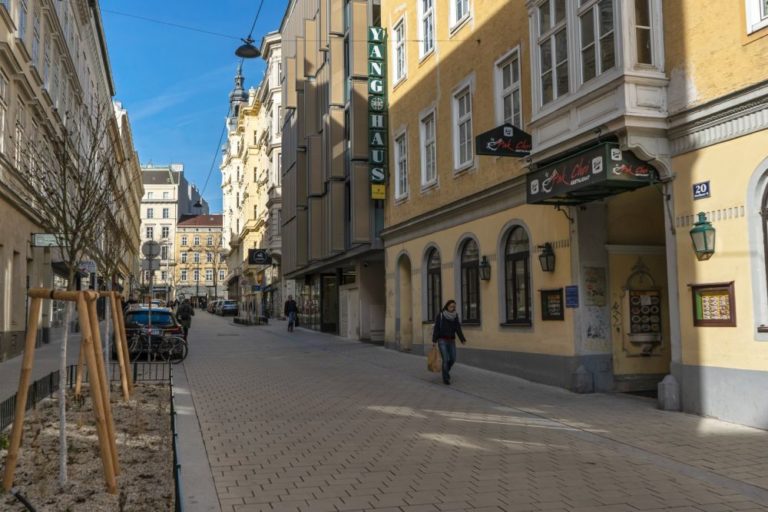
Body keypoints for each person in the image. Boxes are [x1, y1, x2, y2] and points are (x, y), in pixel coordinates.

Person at [431, 300, 467, 385]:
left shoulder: (455, 316)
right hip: (442, 340)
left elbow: (458, 328)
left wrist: (462, 339)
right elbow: (436, 328)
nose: (452, 308)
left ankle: (445, 371)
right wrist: (434, 340)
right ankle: (446, 378)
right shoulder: (441, 315)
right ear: (447, 306)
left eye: (454, 306)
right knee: (446, 359)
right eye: (451, 306)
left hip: (451, 340)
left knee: (453, 359)